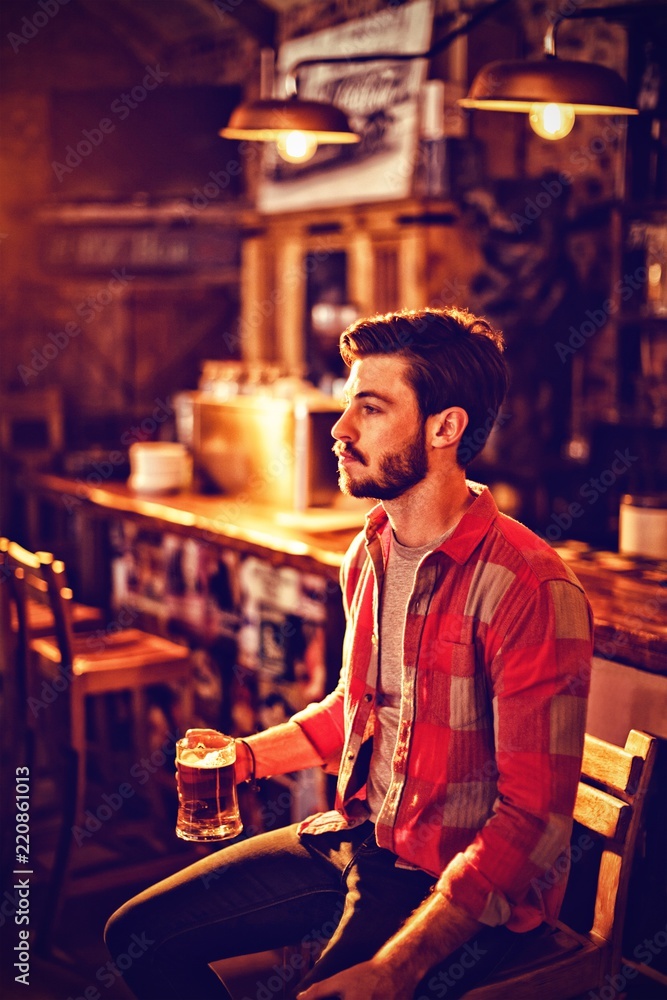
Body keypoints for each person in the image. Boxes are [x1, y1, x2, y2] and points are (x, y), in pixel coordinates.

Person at [105, 307, 594, 1000]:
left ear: (444, 428)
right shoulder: (368, 551)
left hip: (459, 883)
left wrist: (396, 969)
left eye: (369, 408)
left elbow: (534, 824)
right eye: (346, 406)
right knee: (135, 936)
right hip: (362, 835)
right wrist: (244, 757)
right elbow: (354, 709)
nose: (338, 430)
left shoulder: (529, 587)